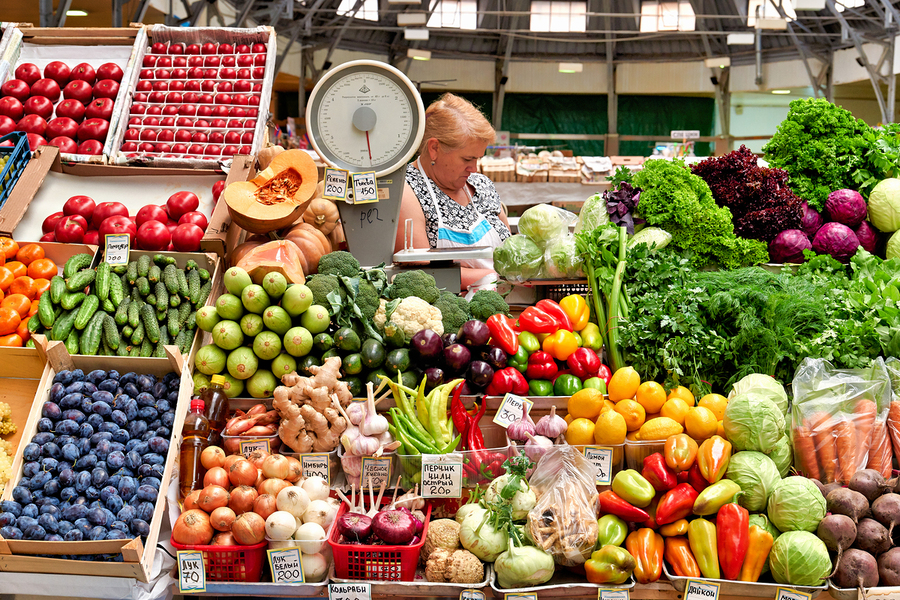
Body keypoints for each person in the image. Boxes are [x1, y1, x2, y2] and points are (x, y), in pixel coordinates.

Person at [395, 93, 511, 293]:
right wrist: (494, 277)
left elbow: (512, 250)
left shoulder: (482, 185)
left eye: (478, 158)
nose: (474, 168)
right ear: (434, 148)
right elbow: (422, 273)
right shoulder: (406, 189)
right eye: (467, 159)